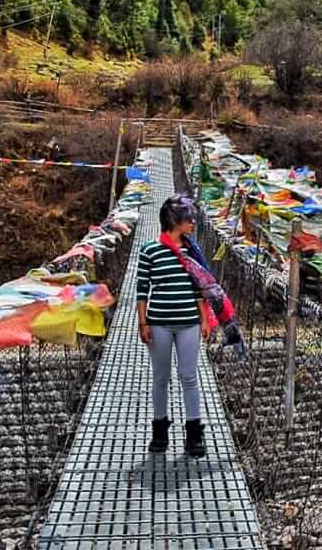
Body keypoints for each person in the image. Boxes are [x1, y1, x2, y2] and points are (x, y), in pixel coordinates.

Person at [136, 195, 211, 458]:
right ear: (173, 220)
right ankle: (160, 430)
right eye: (187, 218)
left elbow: (199, 289)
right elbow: (142, 290)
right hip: (159, 324)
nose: (192, 222)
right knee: (161, 378)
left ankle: (193, 434)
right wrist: (142, 322)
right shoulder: (149, 251)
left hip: (189, 322)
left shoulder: (192, 251)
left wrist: (204, 319)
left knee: (189, 376)